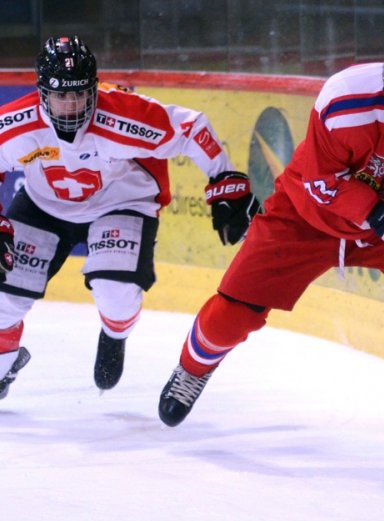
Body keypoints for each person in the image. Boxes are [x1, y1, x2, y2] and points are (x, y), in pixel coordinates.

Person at [157, 11, 384, 459]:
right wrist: (376, 212)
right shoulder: (346, 93)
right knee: (233, 314)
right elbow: (320, 181)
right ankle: (192, 369)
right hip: (304, 215)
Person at [0, 36, 259, 397]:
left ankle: (114, 334)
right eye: (62, 96)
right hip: (44, 204)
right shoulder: (15, 123)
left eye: (80, 94)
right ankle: (3, 367)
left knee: (117, 294)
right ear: (43, 93)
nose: (72, 105)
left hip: (121, 200)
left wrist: (226, 178)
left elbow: (191, 128)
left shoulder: (123, 114)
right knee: (2, 301)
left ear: (94, 89)